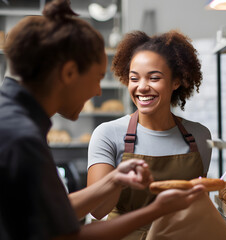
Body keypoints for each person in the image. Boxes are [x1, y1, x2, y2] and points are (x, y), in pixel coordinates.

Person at [0, 1, 204, 239]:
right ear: (69, 73)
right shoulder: (20, 138)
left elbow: (48, 213)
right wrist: (156, 211)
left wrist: (113, 180)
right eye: (98, 77)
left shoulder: (2, 118)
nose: (98, 91)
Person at [87, 30, 212, 238]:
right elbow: (98, 210)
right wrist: (119, 180)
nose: (142, 87)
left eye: (154, 78)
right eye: (134, 78)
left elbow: (197, 206)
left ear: (176, 81)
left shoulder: (199, 135)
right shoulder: (108, 134)